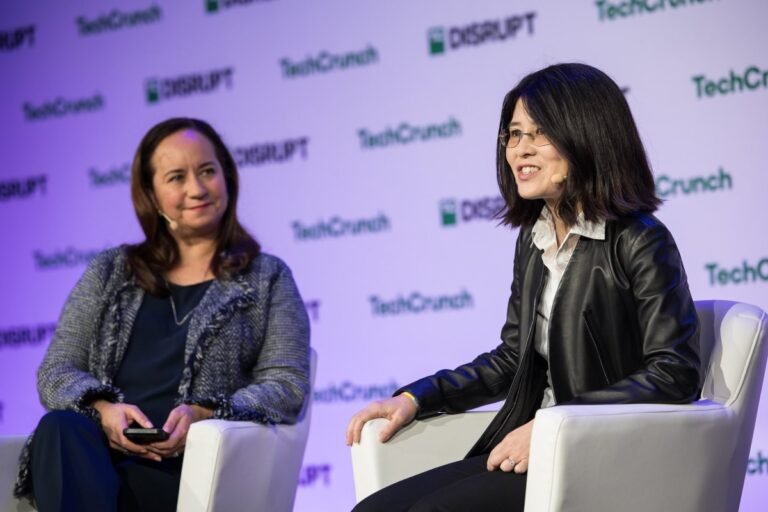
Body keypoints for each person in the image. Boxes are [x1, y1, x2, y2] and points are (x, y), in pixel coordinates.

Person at [346, 63, 701, 512]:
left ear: (588, 136)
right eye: (514, 134)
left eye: (540, 133)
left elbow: (674, 371)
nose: (520, 150)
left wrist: (557, 424)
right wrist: (418, 398)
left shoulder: (640, 239)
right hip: (540, 446)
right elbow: (513, 359)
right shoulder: (534, 239)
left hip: (601, 454)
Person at [14, 118, 311, 512]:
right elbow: (56, 371)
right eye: (176, 177)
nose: (197, 189)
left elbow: (287, 384)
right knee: (61, 427)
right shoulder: (111, 271)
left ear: (227, 178)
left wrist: (204, 413)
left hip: (189, 469)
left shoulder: (266, 277)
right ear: (151, 195)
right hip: (97, 456)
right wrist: (103, 410)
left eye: (207, 171)